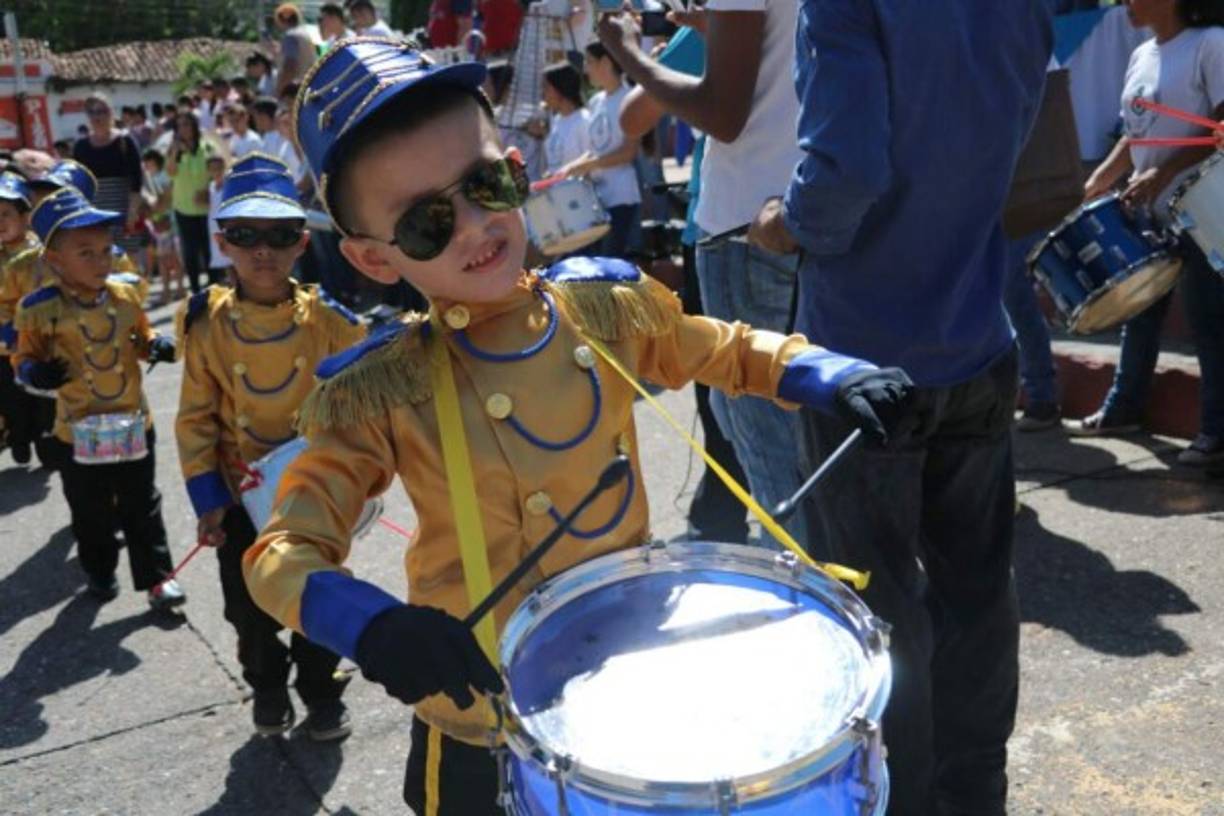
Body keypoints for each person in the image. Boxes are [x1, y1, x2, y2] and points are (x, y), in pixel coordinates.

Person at [241, 40, 914, 813]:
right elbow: (281, 553)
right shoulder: (385, 388)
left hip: (622, 676)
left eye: (487, 184)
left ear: (517, 170)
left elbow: (722, 349)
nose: (475, 226)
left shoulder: (602, 309)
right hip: (476, 715)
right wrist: (373, 626)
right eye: (427, 224)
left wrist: (824, 372)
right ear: (371, 260)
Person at [742, 1, 1052, 813]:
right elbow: (1025, 144)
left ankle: (898, 797)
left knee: (872, 607)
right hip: (976, 336)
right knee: (978, 595)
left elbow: (844, 177)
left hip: (862, 360)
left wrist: (783, 223)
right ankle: (973, 795)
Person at [597, 0, 808, 548]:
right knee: (806, 426)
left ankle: (803, 581)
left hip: (746, 225)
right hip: (813, 209)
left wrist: (629, 53)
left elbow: (717, 114)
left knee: (765, 440)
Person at [175, 154, 365, 739]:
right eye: (245, 235)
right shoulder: (206, 322)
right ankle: (267, 687)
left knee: (316, 596)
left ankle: (322, 692)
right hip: (239, 493)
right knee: (247, 608)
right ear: (222, 242)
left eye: (280, 235)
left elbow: (361, 395)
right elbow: (196, 416)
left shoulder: (329, 321)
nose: (263, 251)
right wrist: (208, 498)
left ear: (302, 241)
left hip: (311, 492)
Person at [13, 186, 185, 608]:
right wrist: (35, 372)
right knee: (90, 511)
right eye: (85, 253)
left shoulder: (126, 295)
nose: (101, 261)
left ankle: (158, 579)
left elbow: (139, 335)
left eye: (106, 250)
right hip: (76, 431)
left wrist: (154, 345)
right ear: (55, 260)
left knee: (142, 504)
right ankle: (100, 570)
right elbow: (23, 358)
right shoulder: (40, 309)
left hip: (132, 422)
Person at [1072, 0, 1224, 466]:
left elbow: (1221, 127)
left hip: (1201, 208)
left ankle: (1216, 434)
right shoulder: (1142, 54)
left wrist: (1163, 172)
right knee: (1140, 313)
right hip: (1149, 212)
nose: (1126, 3)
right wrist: (1103, 176)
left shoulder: (1211, 44)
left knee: (1209, 323)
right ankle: (1123, 408)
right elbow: (1135, 132)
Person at [560, 43, 641, 259]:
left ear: (606, 62)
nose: (585, 69)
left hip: (621, 196)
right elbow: (593, 150)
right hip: (597, 199)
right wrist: (570, 168)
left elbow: (629, 152)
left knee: (610, 263)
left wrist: (590, 164)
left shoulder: (630, 98)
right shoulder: (596, 101)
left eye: (589, 62)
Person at [71, 94, 144, 259]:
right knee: (100, 262)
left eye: (101, 111)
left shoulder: (125, 142)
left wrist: (132, 213)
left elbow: (137, 181)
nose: (97, 117)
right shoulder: (80, 146)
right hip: (95, 216)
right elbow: (77, 186)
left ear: (111, 113)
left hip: (124, 214)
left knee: (128, 264)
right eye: (92, 112)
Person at [0, 172, 39, 464]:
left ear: (25, 217)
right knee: (9, 398)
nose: (0, 221)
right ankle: (17, 435)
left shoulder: (38, 254)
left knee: (36, 398)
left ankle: (41, 436)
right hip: (2, 347)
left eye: (6, 214)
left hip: (32, 342)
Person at [166, 112, 219, 294]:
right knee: (189, 251)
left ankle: (214, 286)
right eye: (179, 125)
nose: (183, 129)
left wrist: (208, 191)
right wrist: (175, 151)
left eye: (187, 124)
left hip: (206, 207)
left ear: (194, 126)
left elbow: (217, 170)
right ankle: (195, 289)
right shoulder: (174, 150)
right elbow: (170, 172)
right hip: (183, 208)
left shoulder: (207, 146)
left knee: (208, 248)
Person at [141, 149, 186, 305]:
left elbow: (168, 198)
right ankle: (168, 291)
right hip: (159, 223)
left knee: (172, 257)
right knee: (163, 258)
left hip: (170, 222)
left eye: (149, 162)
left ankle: (178, 289)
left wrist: (156, 210)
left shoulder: (164, 176)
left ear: (156, 162)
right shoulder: (151, 178)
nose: (147, 165)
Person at [540, 62, 588, 177]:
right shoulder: (556, 120)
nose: (542, 94)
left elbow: (592, 163)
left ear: (559, 90)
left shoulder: (584, 121)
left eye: (546, 88)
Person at [274, 4, 318, 97]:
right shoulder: (305, 34)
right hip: (308, 86)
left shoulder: (290, 36)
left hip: (293, 91)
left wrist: (279, 91)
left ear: (281, 20)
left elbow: (290, 67)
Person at [206, 155, 234, 282]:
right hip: (215, 229)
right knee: (225, 263)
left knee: (234, 262)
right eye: (212, 169)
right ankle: (234, 289)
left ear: (224, 168)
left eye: (219, 168)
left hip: (228, 228)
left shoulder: (229, 186)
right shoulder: (210, 187)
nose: (216, 171)